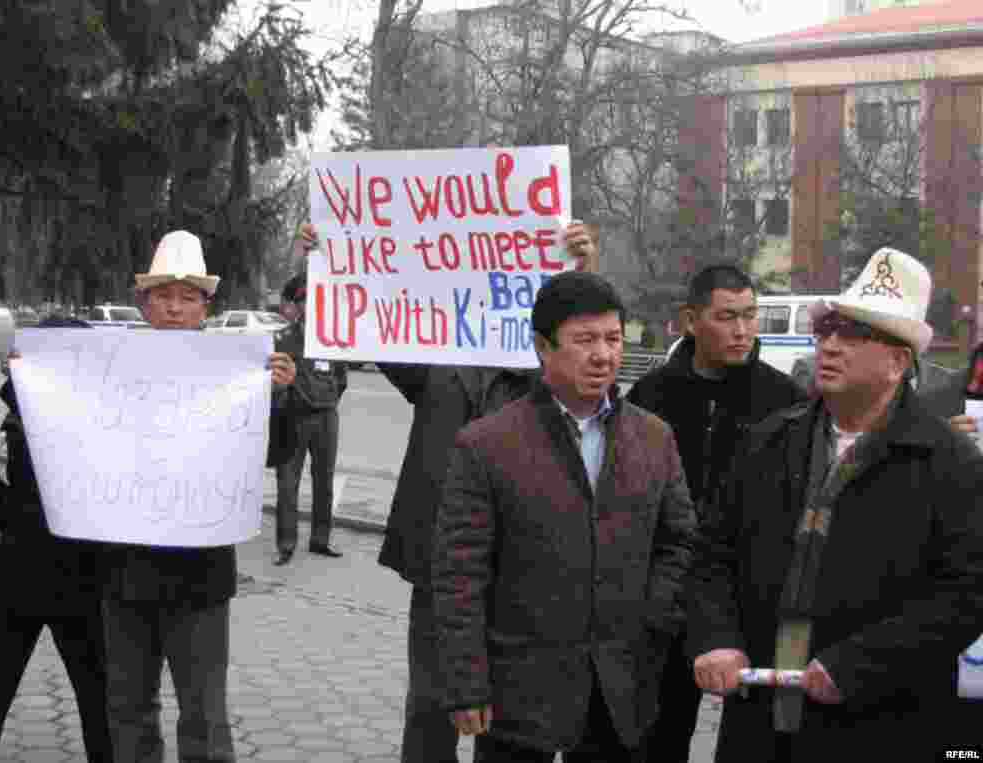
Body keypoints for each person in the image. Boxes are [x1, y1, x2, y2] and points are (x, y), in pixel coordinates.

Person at [296, 219, 599, 763]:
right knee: (430, 709)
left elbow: (589, 350)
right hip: (439, 565)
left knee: (508, 721)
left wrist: (580, 269)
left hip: (523, 574)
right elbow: (367, 324)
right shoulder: (435, 354)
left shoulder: (545, 368)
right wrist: (326, 264)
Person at [688, 248, 983, 761]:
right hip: (758, 725)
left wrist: (860, 665)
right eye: (827, 330)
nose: (830, 345)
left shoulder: (950, 464)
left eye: (855, 334)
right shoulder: (765, 442)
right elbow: (712, 554)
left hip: (882, 727)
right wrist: (717, 637)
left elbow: (965, 595)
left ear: (898, 361)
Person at [432, 271, 695, 762]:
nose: (603, 355)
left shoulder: (654, 438)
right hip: (519, 693)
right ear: (542, 347)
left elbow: (679, 541)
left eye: (613, 338)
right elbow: (459, 573)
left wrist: (651, 613)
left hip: (619, 689)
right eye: (585, 340)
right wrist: (466, 682)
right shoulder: (486, 444)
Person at [100, 230, 296, 763]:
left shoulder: (236, 368)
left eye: (188, 297)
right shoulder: (108, 363)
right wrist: (22, 380)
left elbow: (274, 454)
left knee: (204, 715)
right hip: (123, 569)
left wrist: (277, 400)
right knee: (128, 709)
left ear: (206, 307)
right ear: (144, 303)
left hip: (200, 574)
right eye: (164, 295)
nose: (174, 307)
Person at [625, 264, 805, 761]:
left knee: (756, 738)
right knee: (658, 734)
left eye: (750, 316)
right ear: (691, 320)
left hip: (752, 595)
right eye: (728, 317)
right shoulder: (651, 395)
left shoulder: (784, 399)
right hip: (665, 593)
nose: (743, 330)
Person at [0, 317, 112, 763]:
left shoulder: (26, 408)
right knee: (93, 683)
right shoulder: (77, 414)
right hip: (74, 575)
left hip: (30, 572)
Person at [273, 275, 348, 563]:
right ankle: (286, 544)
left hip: (326, 418)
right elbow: (276, 378)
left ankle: (320, 539)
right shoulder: (284, 338)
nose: (310, 306)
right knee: (287, 483)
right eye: (305, 301)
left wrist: (327, 402)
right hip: (293, 417)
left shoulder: (332, 338)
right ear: (299, 305)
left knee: (324, 481)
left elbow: (341, 379)